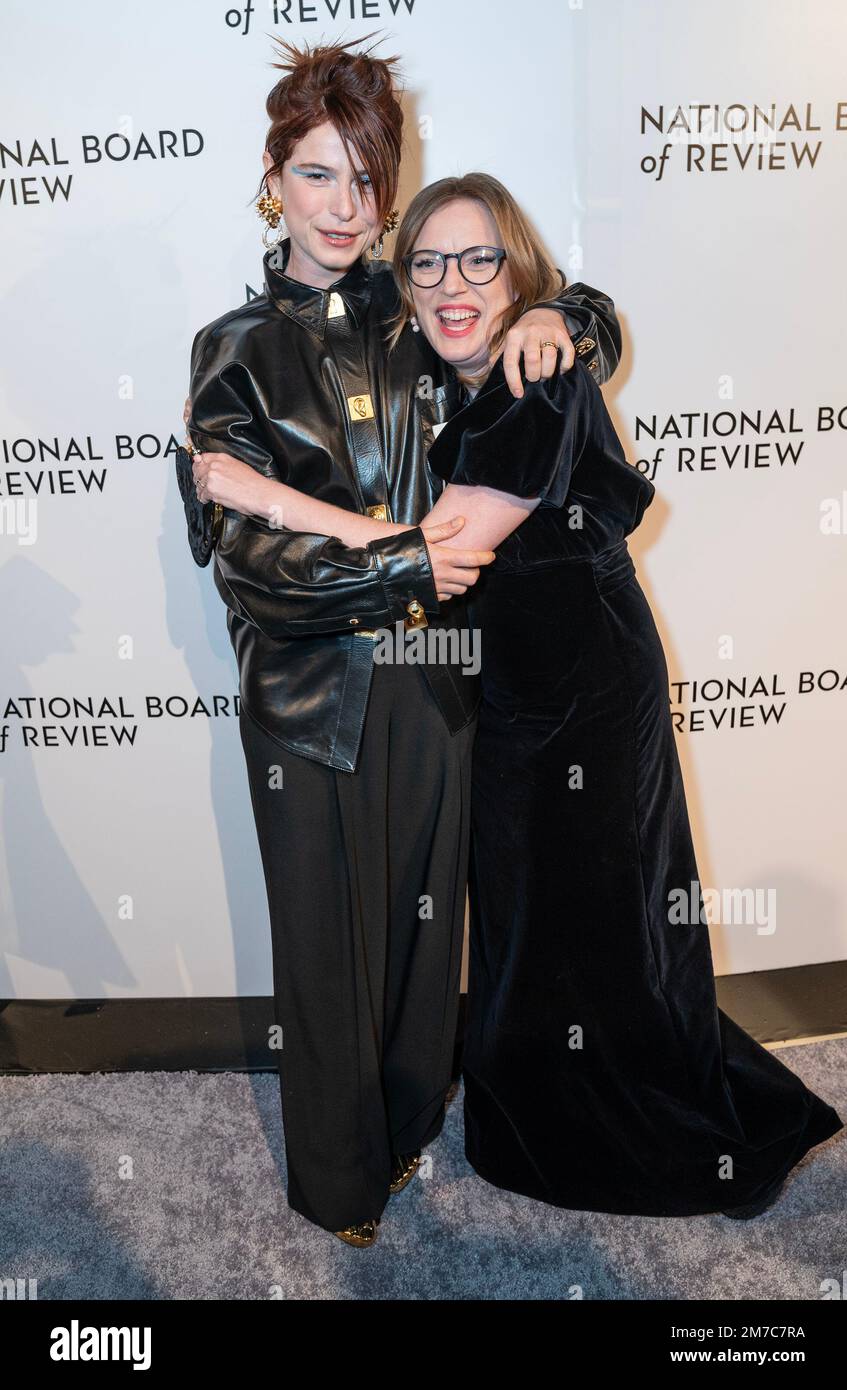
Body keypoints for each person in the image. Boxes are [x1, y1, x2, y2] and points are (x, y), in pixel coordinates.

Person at [215, 168, 844, 1222]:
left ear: (518, 275)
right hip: (496, 695)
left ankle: (615, 1128)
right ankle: (533, 1113)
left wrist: (264, 495)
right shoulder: (432, 371)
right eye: (426, 263)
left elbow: (449, 545)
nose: (452, 283)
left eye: (479, 260)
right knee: (516, 928)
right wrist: (573, 311)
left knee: (598, 917)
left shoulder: (532, 379)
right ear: (402, 281)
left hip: (587, 686)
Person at [180, 38, 622, 1246]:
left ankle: (415, 1123)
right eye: (318, 175)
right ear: (274, 179)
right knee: (329, 957)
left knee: (430, 943)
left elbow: (546, 350)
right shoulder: (234, 352)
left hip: (437, 689)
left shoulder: (418, 314)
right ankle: (337, 1185)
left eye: (369, 178)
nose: (348, 207)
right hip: (309, 702)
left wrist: (563, 310)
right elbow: (253, 562)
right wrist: (404, 560)